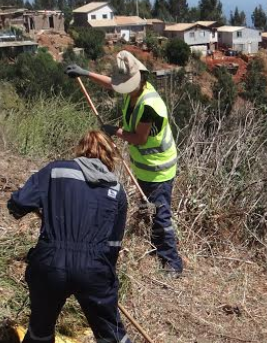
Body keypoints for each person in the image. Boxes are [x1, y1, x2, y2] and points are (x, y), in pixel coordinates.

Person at [6, 130, 144, 343]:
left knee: (40, 330)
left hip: (50, 262)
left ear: (81, 149)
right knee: (110, 332)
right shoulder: (116, 190)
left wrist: (43, 206)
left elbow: (18, 204)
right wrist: (104, 285)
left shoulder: (56, 172)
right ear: (108, 156)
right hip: (95, 267)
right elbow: (113, 246)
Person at [64, 51, 184, 275]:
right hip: (145, 167)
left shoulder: (150, 105)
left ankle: (172, 263)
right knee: (148, 209)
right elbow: (112, 84)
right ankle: (155, 247)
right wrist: (85, 73)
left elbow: (139, 138)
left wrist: (115, 131)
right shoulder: (134, 90)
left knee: (160, 214)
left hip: (159, 169)